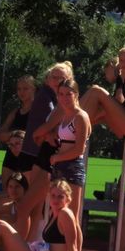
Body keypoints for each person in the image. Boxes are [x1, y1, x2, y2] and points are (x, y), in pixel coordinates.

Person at [15, 61, 71, 241]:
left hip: (42, 154)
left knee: (36, 206)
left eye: (61, 78)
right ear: (47, 79)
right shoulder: (45, 97)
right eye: (53, 77)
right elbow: (45, 126)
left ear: (68, 79)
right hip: (33, 154)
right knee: (30, 205)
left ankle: (30, 243)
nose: (57, 80)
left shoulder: (61, 99)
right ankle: (23, 245)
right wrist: (48, 134)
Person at [34, 77, 90, 220]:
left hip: (73, 167)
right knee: (56, 214)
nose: (64, 98)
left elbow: (79, 149)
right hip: (59, 166)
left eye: (68, 94)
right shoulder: (64, 115)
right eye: (61, 94)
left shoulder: (80, 117)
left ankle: (76, 238)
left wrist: (57, 157)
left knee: (71, 217)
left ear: (76, 95)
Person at [79, 58, 125, 141]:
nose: (105, 76)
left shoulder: (122, 76)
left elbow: (120, 101)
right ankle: (75, 127)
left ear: (112, 66)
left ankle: (73, 122)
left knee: (96, 90)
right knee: (95, 113)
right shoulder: (123, 79)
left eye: (106, 72)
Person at [0, 76, 36, 187]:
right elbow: (0, 135)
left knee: (28, 191)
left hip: (29, 157)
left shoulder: (39, 111)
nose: (21, 92)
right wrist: (15, 135)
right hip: (11, 157)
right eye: (19, 89)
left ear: (33, 89)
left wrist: (20, 137)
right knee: (7, 190)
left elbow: (38, 136)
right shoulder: (15, 113)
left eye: (25, 88)